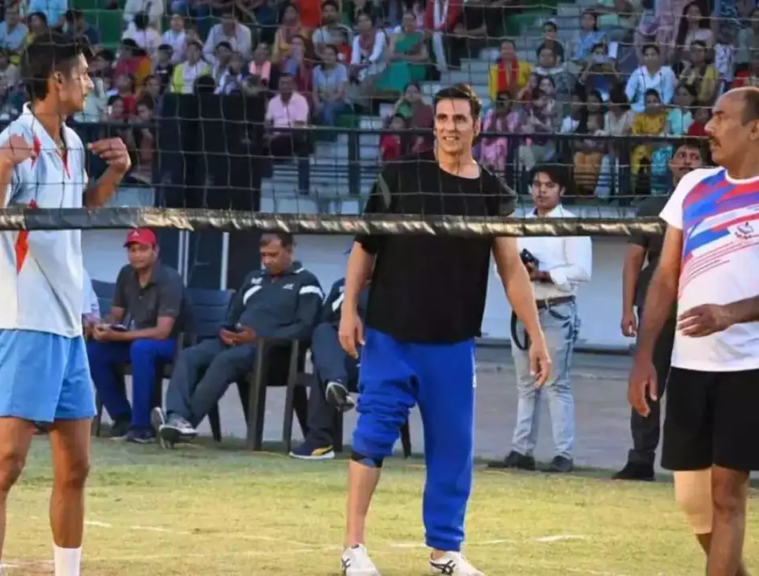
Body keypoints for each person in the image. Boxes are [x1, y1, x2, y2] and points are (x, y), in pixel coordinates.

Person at [337, 85, 550, 576]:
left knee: (453, 450)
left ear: (478, 124)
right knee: (371, 437)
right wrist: (349, 309)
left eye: (459, 118)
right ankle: (353, 548)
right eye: (442, 117)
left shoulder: (493, 192)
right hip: (391, 334)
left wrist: (536, 336)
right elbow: (363, 249)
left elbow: (512, 269)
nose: (450, 126)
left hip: (453, 342)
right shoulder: (399, 176)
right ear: (432, 123)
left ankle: (444, 553)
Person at [0, 32, 130, 576]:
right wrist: (0, 175)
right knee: (6, 465)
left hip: (66, 327)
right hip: (23, 322)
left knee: (76, 466)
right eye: (82, 74)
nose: (90, 82)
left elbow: (79, 209)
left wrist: (115, 175)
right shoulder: (9, 144)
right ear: (55, 81)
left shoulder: (76, 144)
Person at [629, 87, 759, 576]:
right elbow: (664, 279)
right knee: (691, 499)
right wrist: (644, 357)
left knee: (728, 495)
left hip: (748, 368)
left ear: (754, 128)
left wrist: (731, 313)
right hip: (687, 366)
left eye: (721, 118)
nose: (708, 128)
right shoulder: (693, 187)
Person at [152, 233, 323, 446]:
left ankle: (183, 424)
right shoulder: (254, 278)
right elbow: (232, 316)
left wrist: (262, 337)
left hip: (274, 353)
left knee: (226, 361)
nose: (267, 261)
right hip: (237, 344)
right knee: (190, 355)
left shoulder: (306, 281)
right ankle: (176, 416)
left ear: (290, 251)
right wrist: (225, 330)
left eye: (274, 255)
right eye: (263, 255)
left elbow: (306, 328)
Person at [490, 164, 592, 474]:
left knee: (555, 384)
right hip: (524, 309)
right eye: (536, 184)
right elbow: (503, 267)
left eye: (548, 185)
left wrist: (545, 273)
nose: (541, 190)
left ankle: (564, 452)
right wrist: (523, 274)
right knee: (525, 384)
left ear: (561, 189)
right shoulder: (519, 225)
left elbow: (583, 271)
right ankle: (522, 450)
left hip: (556, 308)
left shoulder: (572, 224)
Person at [614, 140, 704, 482]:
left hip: (701, 308)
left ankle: (694, 462)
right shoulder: (652, 206)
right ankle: (640, 458)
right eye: (682, 156)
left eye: (695, 156)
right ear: (671, 165)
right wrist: (627, 310)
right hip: (658, 309)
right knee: (648, 382)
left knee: (696, 387)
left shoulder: (713, 204)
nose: (687, 161)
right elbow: (633, 260)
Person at [87, 228, 190, 443]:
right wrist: (103, 325)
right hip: (137, 340)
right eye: (132, 250)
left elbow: (163, 332)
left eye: (143, 249)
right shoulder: (126, 273)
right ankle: (123, 417)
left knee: (141, 348)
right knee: (95, 351)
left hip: (174, 344)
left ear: (155, 251)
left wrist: (119, 337)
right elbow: (116, 313)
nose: (137, 255)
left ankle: (142, 427)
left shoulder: (169, 279)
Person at [289, 275, 369, 460]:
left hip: (375, 354)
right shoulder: (341, 285)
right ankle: (335, 382)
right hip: (343, 356)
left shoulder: (396, 285)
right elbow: (324, 321)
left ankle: (319, 442)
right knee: (323, 331)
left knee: (324, 369)